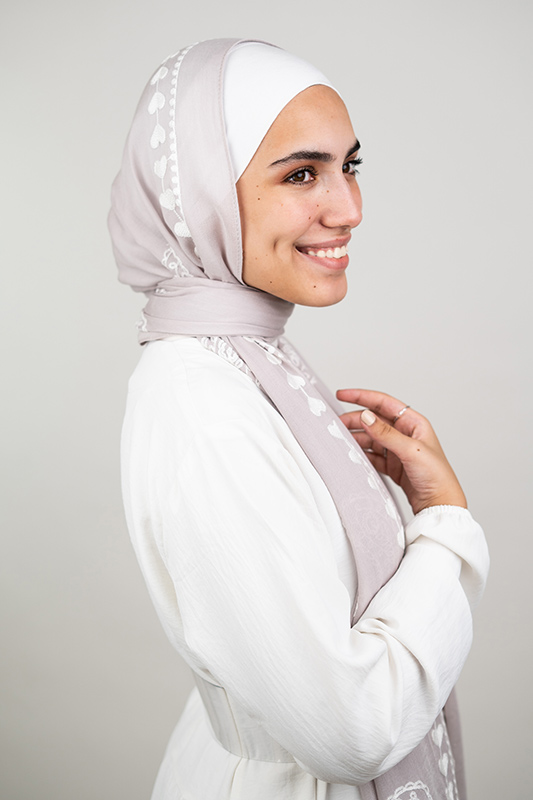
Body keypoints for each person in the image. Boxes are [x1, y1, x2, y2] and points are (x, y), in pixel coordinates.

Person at [109, 39, 489, 800]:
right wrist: (445, 525)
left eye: (350, 165)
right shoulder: (204, 405)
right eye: (301, 174)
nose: (349, 209)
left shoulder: (248, 360)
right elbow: (352, 731)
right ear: (202, 198)